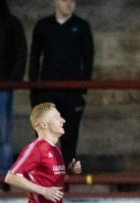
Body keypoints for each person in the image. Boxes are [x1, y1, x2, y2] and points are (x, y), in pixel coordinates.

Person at [29, 0, 94, 166]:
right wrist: (34, 87)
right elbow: (35, 56)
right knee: (43, 136)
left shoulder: (81, 26)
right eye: (65, 0)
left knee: (69, 136)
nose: (69, 4)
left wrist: (82, 88)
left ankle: (64, 181)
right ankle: (43, 177)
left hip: (71, 92)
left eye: (72, 1)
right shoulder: (43, 26)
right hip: (46, 90)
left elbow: (88, 58)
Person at [0, 0, 27, 184]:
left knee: (4, 135)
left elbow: (20, 52)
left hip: (2, 87)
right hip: (3, 85)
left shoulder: (10, 22)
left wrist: (11, 80)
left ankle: (2, 178)